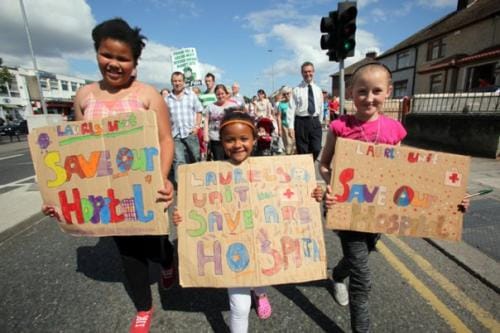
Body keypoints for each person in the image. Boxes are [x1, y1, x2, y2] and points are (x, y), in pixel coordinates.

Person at [41, 18, 175, 333]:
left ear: (135, 63)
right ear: (97, 53)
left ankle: (167, 261)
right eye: (106, 55)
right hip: (108, 197)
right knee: (128, 252)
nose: (114, 64)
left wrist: (163, 178)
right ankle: (144, 307)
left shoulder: (148, 95)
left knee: (155, 244)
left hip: (144, 188)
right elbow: (76, 148)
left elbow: (165, 140)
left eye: (123, 59)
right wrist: (60, 196)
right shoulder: (85, 96)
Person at [319, 62, 470, 333]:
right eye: (362, 91)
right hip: (347, 210)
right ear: (351, 92)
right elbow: (324, 164)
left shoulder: (395, 129)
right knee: (362, 277)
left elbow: (408, 175)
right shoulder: (340, 126)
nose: (369, 97)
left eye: (376, 91)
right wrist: (332, 186)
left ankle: (338, 275)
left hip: (379, 213)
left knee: (362, 255)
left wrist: (453, 198)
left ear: (388, 92)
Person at [173, 108, 326, 332]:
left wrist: (312, 195)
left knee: (260, 276)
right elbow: (198, 212)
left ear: (254, 140)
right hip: (233, 254)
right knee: (240, 307)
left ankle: (261, 293)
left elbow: (292, 197)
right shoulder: (211, 176)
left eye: (244, 138)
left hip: (263, 244)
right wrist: (183, 216)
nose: (237, 145)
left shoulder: (269, 169)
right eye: (230, 140)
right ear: (221, 141)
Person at [165, 71, 203, 184]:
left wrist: (196, 127)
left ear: (184, 82)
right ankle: (182, 186)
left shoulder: (191, 95)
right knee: (179, 161)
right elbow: (164, 117)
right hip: (175, 135)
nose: (177, 83)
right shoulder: (167, 99)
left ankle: (199, 181)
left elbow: (199, 111)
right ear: (172, 82)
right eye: (175, 81)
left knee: (195, 158)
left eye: (179, 81)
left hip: (190, 133)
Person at [288, 61, 323, 161]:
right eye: (305, 72)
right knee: (302, 150)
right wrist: (291, 127)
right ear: (301, 73)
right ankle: (306, 169)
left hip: (315, 121)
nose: (308, 74)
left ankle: (310, 163)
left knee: (316, 148)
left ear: (314, 72)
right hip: (301, 122)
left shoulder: (318, 89)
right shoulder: (296, 90)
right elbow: (291, 109)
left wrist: (320, 122)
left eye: (310, 71)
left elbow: (320, 107)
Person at [203, 84, 238, 160]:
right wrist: (205, 135)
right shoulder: (210, 106)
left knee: (231, 160)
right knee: (218, 161)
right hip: (215, 138)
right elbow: (206, 120)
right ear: (215, 95)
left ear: (226, 94)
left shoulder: (233, 106)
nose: (220, 96)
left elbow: (238, 120)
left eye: (222, 93)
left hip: (230, 138)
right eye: (218, 94)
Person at [277, 86, 295, 155]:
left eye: (288, 93)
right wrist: (279, 129)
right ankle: (289, 158)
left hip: (294, 126)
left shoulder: (294, 103)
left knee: (295, 144)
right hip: (285, 126)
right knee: (288, 145)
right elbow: (279, 117)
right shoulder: (281, 104)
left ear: (291, 93)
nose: (286, 95)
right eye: (284, 94)